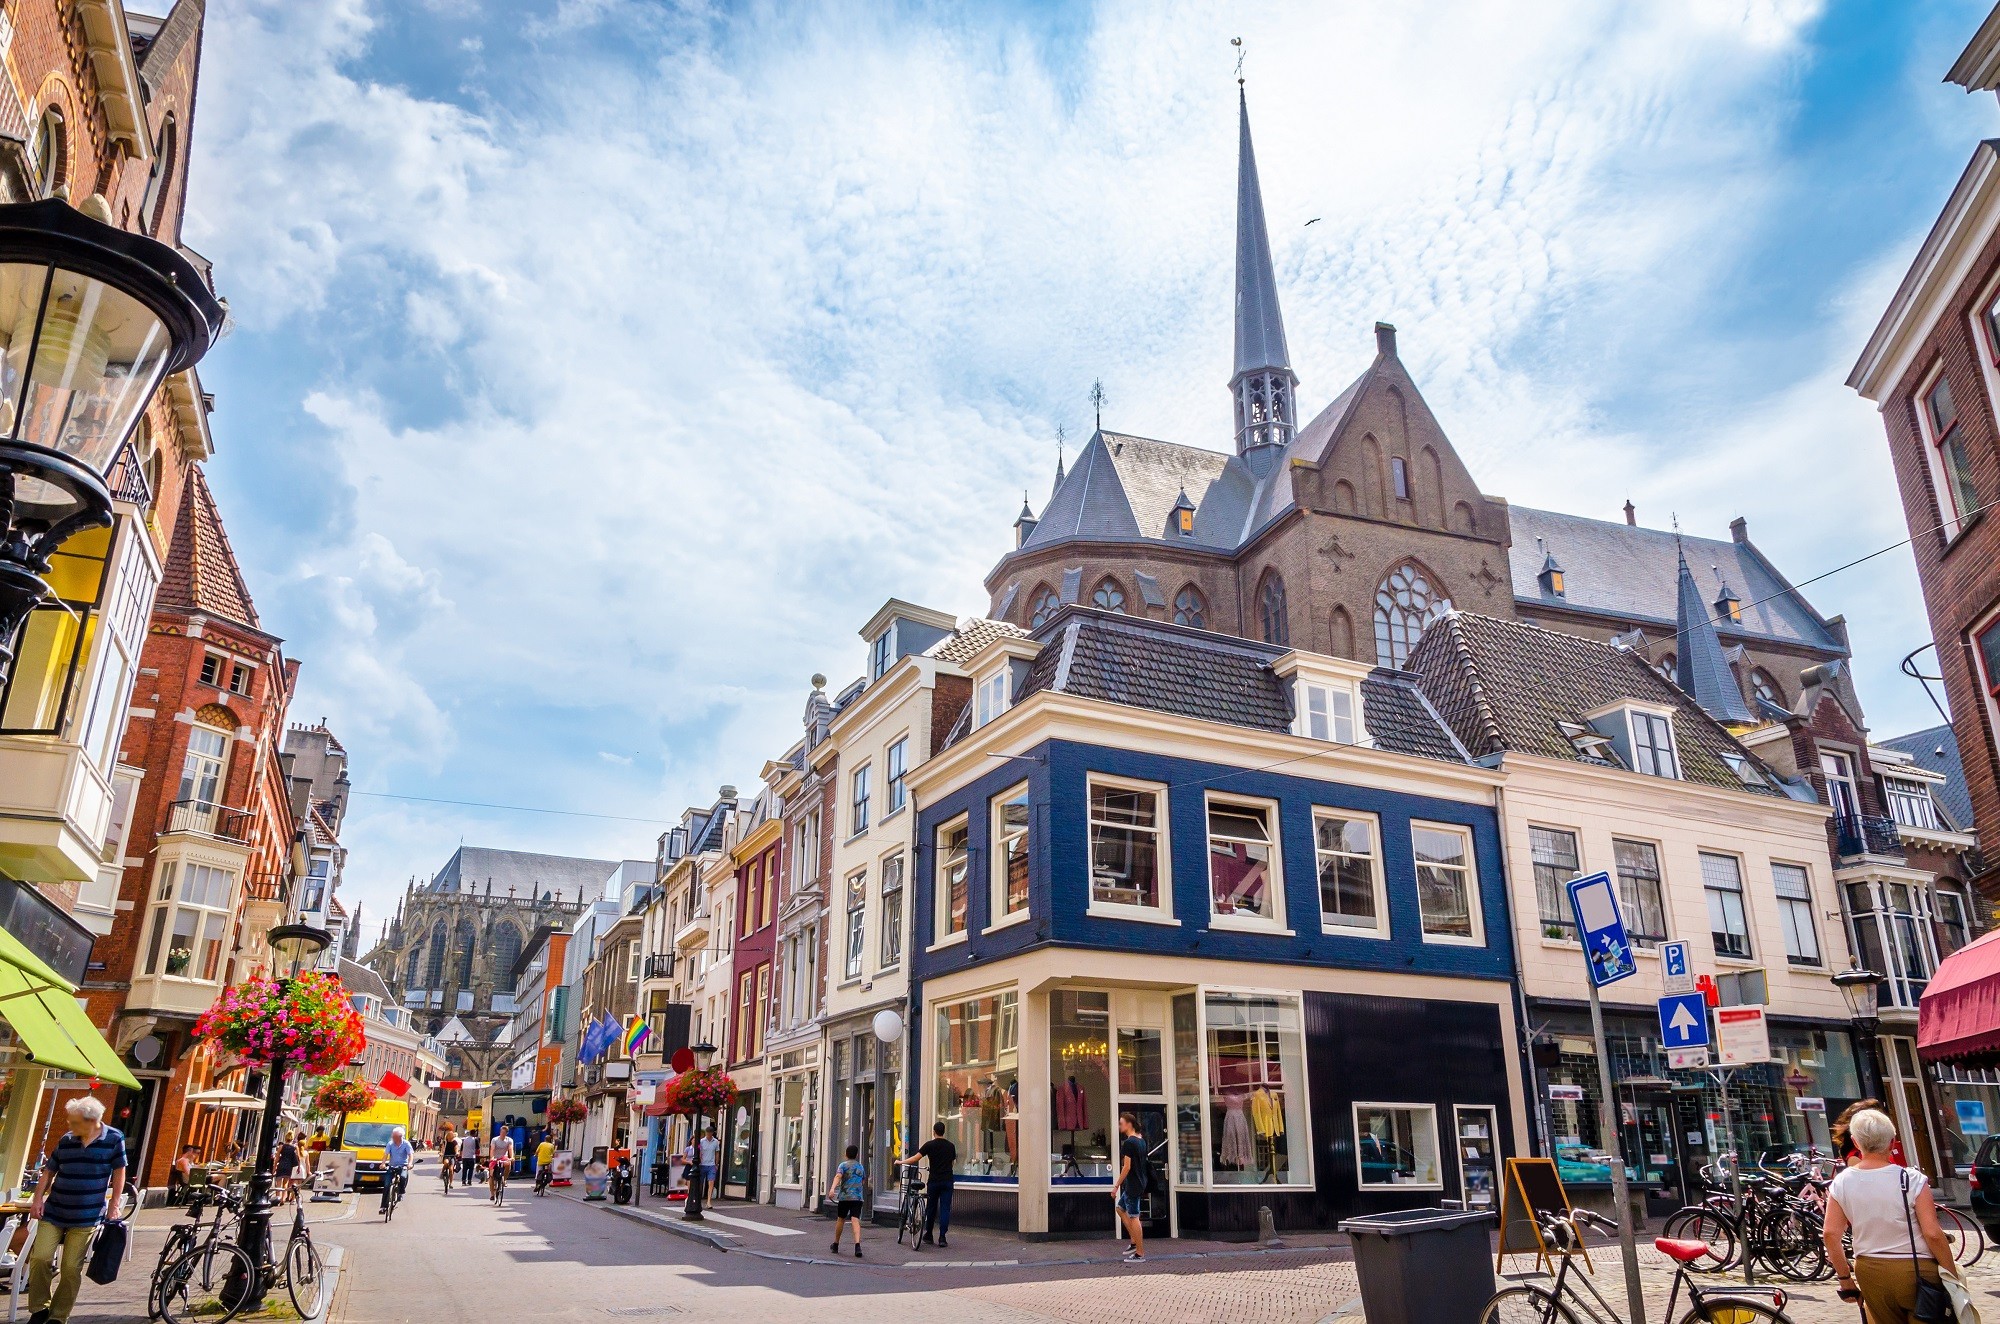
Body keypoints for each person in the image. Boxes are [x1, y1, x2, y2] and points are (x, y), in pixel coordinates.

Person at [1822, 1108, 1959, 1324]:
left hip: (1870, 1270)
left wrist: (1845, 1279)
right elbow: (1932, 1234)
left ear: (1856, 1143)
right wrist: (1952, 1276)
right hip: (1917, 1270)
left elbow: (1830, 1234)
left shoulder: (1841, 1182)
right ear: (1892, 1142)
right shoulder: (1911, 1179)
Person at [25, 1096, 126, 1324]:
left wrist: (114, 1204)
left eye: (74, 1121)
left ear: (91, 1121)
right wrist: (38, 1199)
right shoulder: (66, 1140)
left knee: (71, 1268)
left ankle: (58, 1317)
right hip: (54, 1211)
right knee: (40, 1258)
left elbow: (119, 1172)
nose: (70, 1126)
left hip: (87, 1215)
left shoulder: (114, 1138)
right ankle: (39, 1308)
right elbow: (49, 1172)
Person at [1114, 1112, 1148, 1263]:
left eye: (1121, 1123)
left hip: (1133, 1184)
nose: (1119, 1126)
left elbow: (1126, 1167)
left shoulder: (1128, 1143)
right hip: (1139, 1182)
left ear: (1128, 1124)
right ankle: (1134, 1242)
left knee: (1134, 1217)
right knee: (1120, 1209)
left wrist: (1116, 1186)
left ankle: (1140, 1253)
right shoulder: (1141, 1141)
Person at [916, 1121, 957, 1249]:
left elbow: (915, 1158)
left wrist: (901, 1162)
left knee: (931, 1208)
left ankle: (928, 1234)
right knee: (945, 1209)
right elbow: (952, 1163)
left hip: (934, 1181)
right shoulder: (951, 1146)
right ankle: (942, 1237)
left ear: (934, 1132)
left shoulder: (929, 1145)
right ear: (944, 1131)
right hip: (947, 1181)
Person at [831, 1144, 867, 1257]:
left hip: (845, 1197)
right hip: (857, 1198)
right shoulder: (861, 1167)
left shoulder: (843, 1165)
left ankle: (836, 1244)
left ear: (846, 1154)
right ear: (856, 1155)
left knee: (840, 1219)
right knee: (855, 1220)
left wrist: (832, 1189)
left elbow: (838, 1176)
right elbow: (863, 1181)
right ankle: (857, 1245)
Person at [380, 1127, 414, 1214]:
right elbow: (386, 1154)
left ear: (400, 1136)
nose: (393, 1138)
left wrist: (410, 1163)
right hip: (392, 1166)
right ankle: (383, 1207)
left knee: (403, 1177)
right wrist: (383, 1163)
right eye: (393, 1136)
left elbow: (410, 1155)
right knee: (386, 1185)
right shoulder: (390, 1144)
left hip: (402, 1166)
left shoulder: (406, 1144)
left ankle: (400, 1192)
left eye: (394, 1136)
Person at [488, 1126, 515, 1205]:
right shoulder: (495, 1140)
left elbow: (510, 1149)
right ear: (500, 1132)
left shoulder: (509, 1140)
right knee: (491, 1175)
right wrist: (492, 1157)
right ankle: (492, 1194)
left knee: (508, 1163)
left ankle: (504, 1179)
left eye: (504, 1133)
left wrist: (512, 1157)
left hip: (503, 1157)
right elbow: (492, 1149)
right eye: (502, 1132)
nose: (503, 1134)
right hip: (495, 1158)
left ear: (506, 1133)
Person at [276, 1132, 302, 1204]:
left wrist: (274, 1167)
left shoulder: (281, 1146)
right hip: (289, 1166)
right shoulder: (295, 1147)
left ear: (285, 1138)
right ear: (292, 1138)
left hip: (281, 1165)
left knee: (278, 1182)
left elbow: (277, 1158)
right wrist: (299, 1167)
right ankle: (283, 1199)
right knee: (285, 1183)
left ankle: (277, 1198)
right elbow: (298, 1158)